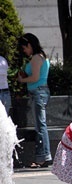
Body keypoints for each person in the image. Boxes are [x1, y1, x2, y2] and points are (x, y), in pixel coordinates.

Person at [18, 33, 52, 168]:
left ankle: (43, 157)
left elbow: (35, 77)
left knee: (40, 126)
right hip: (40, 92)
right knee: (40, 125)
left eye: (24, 48)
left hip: (38, 92)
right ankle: (43, 156)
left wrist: (22, 80)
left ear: (29, 45)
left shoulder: (37, 58)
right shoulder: (41, 57)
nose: (24, 51)